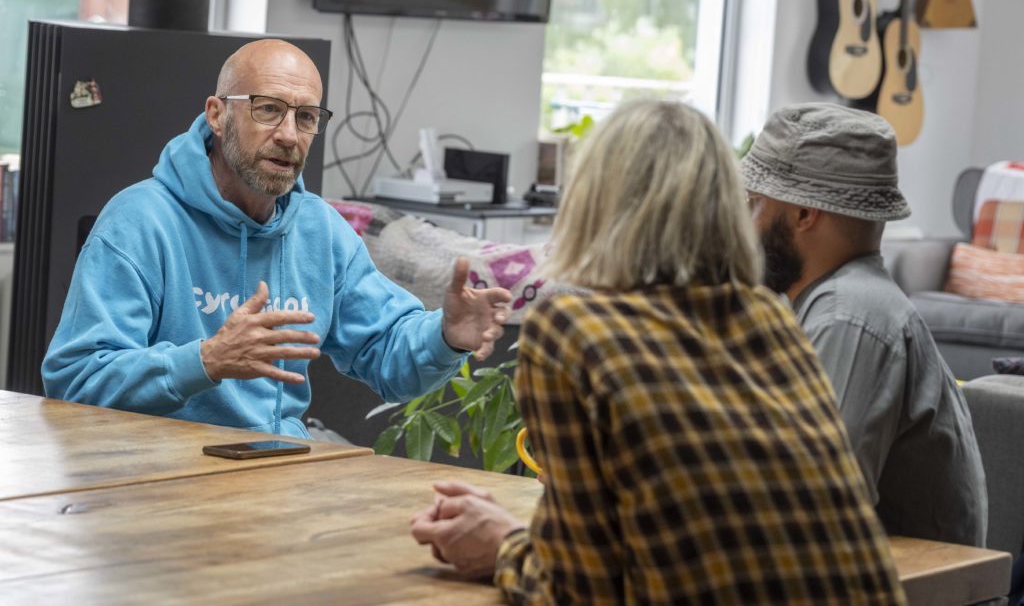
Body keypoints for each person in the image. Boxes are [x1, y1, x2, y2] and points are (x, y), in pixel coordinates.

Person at [410, 100, 905, 604]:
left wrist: (502, 548)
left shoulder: (571, 331)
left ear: (593, 201)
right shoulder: (769, 316)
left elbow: (580, 590)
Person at [42, 39, 511, 438]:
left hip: (278, 470)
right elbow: (75, 380)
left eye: (306, 117)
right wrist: (206, 360)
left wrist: (447, 336)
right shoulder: (139, 221)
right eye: (269, 110)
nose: (289, 135)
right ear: (217, 114)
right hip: (154, 478)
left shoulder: (319, 230)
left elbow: (389, 355)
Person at [740, 101, 986, 546]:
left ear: (803, 214)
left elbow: (814, 508)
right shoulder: (833, 302)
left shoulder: (850, 315)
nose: (745, 221)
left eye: (755, 203)